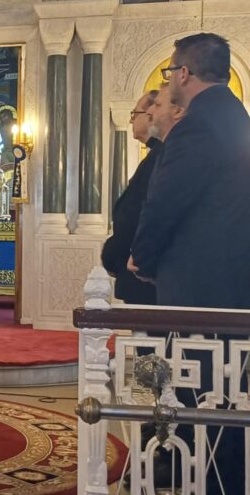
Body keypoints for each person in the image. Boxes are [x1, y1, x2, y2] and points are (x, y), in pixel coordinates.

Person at [130, 33, 250, 494]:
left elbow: (165, 203)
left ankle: (208, 480)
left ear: (184, 73)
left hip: (200, 287)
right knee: (228, 390)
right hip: (230, 282)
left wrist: (142, 257)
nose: (169, 82)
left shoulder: (197, 126)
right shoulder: (235, 116)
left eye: (169, 73)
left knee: (203, 393)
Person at [101, 90, 161, 305]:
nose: (130, 120)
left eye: (135, 114)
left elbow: (145, 215)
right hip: (135, 273)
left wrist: (115, 255)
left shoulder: (162, 157)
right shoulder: (155, 155)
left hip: (144, 275)